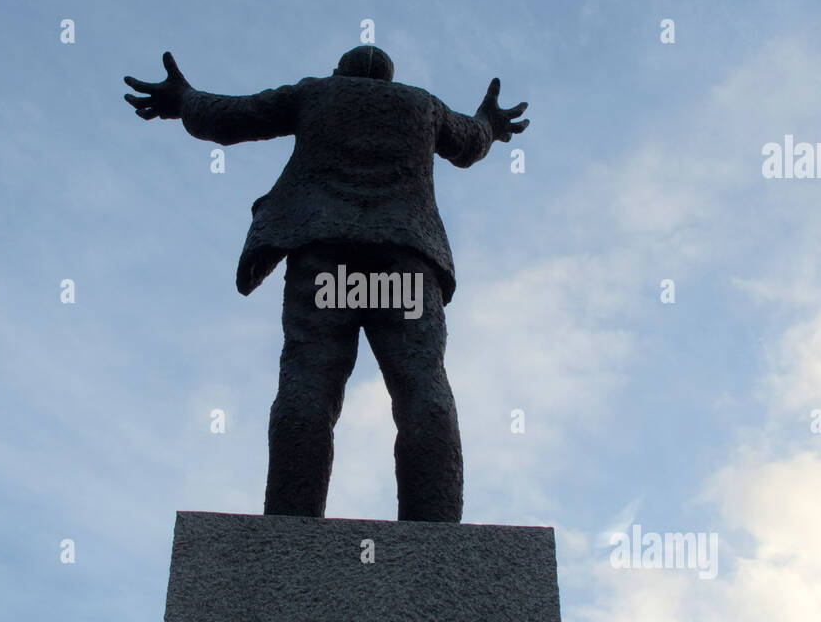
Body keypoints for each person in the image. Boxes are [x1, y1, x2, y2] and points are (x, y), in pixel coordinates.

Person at [124, 45, 528, 522]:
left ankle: (291, 526)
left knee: (309, 379)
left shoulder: (315, 94)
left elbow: (231, 117)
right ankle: (436, 532)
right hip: (406, 262)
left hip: (326, 259)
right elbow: (472, 142)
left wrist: (183, 98)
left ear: (341, 71)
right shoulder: (424, 106)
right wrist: (490, 120)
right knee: (421, 382)